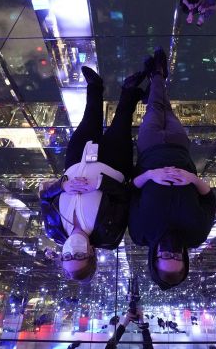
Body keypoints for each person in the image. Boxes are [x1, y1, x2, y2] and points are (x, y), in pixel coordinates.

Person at [40, 66, 145, 282]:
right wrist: (100, 183)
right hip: (114, 164)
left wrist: (62, 186)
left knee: (89, 119)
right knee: (122, 122)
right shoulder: (109, 236)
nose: (72, 250)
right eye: (79, 255)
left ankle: (95, 86)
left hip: (76, 161)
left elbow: (44, 197)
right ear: (92, 255)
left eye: (67, 256)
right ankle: (129, 89)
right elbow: (127, 197)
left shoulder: (54, 230)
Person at [129, 47, 216, 290]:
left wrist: (149, 175)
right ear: (185, 260)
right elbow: (210, 200)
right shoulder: (197, 234)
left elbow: (130, 194)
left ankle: (157, 74)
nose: (171, 253)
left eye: (165, 258)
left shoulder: (140, 234)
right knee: (165, 110)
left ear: (153, 259)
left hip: (150, 149)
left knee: (157, 109)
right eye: (177, 258)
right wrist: (192, 178)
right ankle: (157, 77)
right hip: (179, 149)